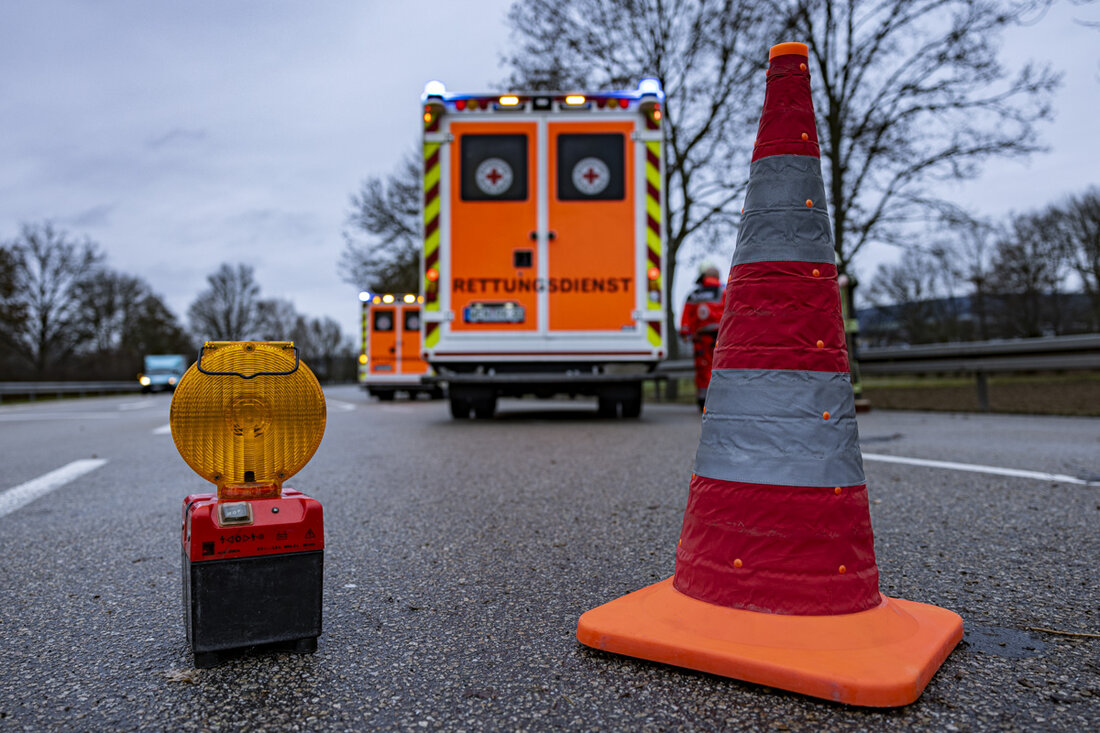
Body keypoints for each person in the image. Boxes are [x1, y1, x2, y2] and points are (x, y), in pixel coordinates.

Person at [679, 264, 725, 410]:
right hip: (722, 338)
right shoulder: (725, 292)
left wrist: (685, 333)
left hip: (700, 339)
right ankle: (719, 400)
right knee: (720, 367)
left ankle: (703, 400)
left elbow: (686, 318)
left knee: (703, 369)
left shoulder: (693, 295)